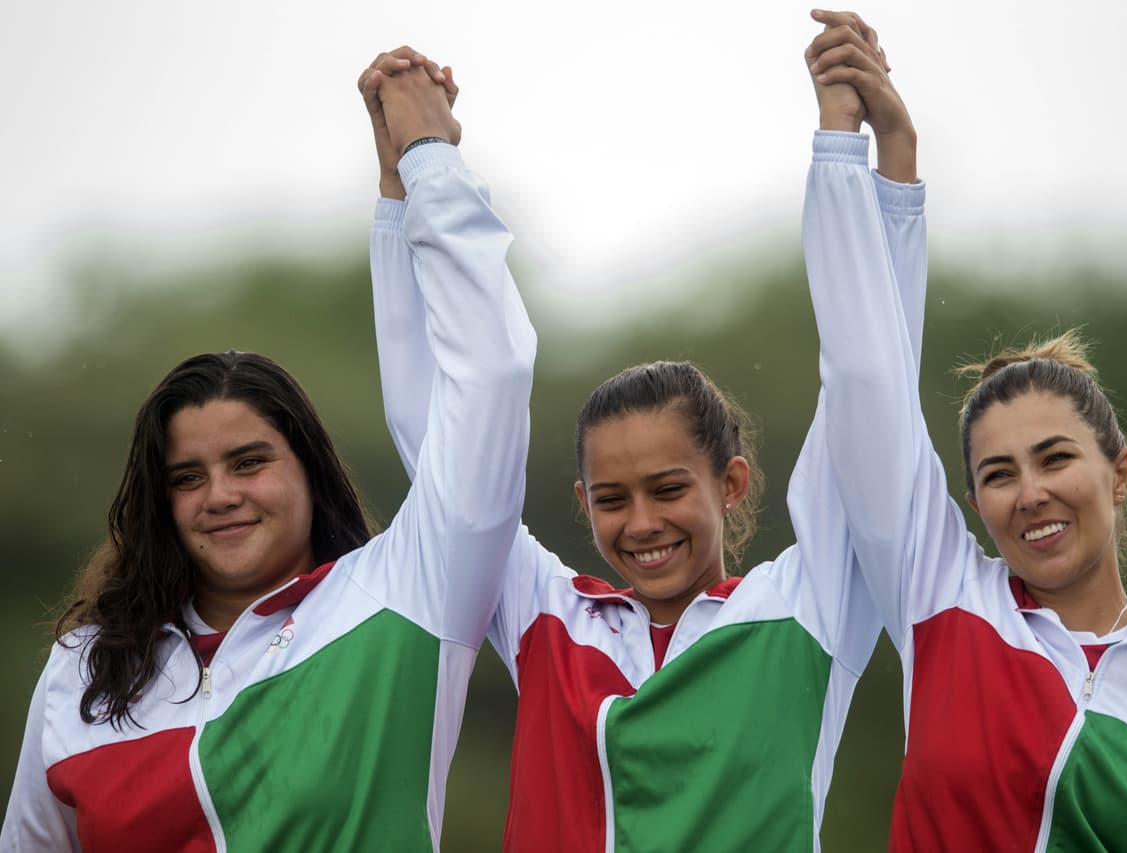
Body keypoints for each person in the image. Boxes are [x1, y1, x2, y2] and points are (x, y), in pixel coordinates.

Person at [362, 18, 923, 850]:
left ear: (730, 484)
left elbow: (873, 389)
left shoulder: (809, 610)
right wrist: (401, 178)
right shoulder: (546, 614)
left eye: (668, 488)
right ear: (583, 503)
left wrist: (876, 160)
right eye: (613, 499)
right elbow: (435, 428)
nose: (643, 524)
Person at [0, 54, 536, 851]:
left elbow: (483, 375)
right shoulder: (85, 668)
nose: (219, 494)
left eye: (249, 462)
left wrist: (423, 169)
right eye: (187, 477)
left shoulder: (405, 594)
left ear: (310, 472)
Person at [802, 12, 1127, 850]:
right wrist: (868, 159)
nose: (1030, 493)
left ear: (1119, 470)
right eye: (997, 473)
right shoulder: (941, 596)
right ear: (974, 500)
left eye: (1055, 457)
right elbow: (864, 374)